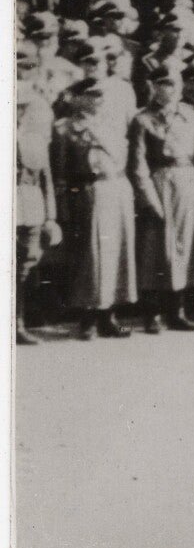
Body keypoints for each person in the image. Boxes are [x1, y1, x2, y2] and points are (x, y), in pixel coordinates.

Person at [129, 60, 194, 332]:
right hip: (161, 183)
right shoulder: (142, 119)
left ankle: (177, 310)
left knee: (186, 248)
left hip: (188, 181)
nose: (168, 89)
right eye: (161, 84)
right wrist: (149, 199)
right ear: (153, 88)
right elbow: (138, 165)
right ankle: (152, 313)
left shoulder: (189, 114)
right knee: (158, 250)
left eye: (172, 84)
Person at [53, 76, 140, 338]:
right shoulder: (65, 128)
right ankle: (87, 318)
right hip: (88, 193)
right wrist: (63, 206)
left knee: (116, 253)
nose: (97, 100)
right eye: (91, 94)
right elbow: (60, 172)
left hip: (117, 188)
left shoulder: (113, 125)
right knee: (91, 256)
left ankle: (108, 315)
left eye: (100, 95)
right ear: (77, 98)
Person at [15, 45, 61, 344]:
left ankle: (16, 324)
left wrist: (50, 213)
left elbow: (44, 166)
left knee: (26, 262)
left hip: (30, 195)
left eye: (29, 67)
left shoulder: (41, 108)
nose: (22, 72)